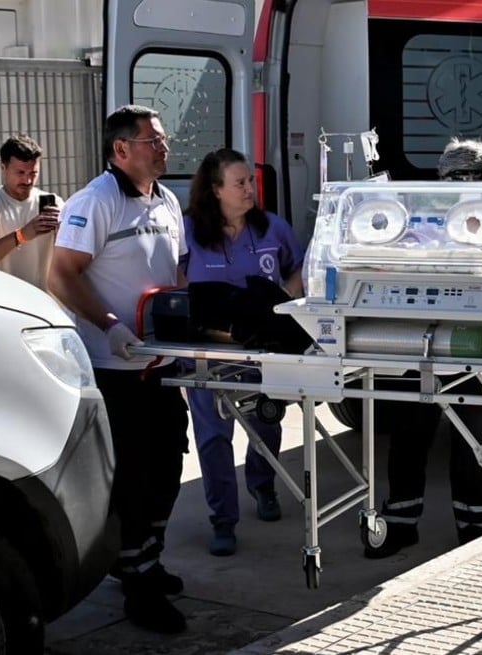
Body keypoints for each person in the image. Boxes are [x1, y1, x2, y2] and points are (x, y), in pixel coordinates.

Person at [46, 105, 190, 634]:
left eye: (163, 137)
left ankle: (146, 558)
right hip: (115, 365)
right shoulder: (96, 201)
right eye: (152, 140)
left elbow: (176, 271)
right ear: (121, 149)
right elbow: (60, 275)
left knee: (169, 468)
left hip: (162, 362)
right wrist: (110, 327)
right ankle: (138, 585)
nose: (163, 146)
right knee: (133, 477)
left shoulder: (167, 199)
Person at [365, 137, 482, 559]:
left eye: (476, 178)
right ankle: (402, 522)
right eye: (457, 178)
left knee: (476, 436)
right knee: (408, 430)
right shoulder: (421, 221)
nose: (466, 186)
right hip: (418, 338)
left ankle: (475, 525)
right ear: (441, 181)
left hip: (477, 340)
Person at [181, 148, 304, 557]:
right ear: (215, 190)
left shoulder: (272, 228)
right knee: (214, 435)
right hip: (209, 352)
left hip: (262, 348)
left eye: (250, 181)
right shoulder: (187, 232)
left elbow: (301, 267)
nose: (250, 188)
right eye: (240, 182)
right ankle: (223, 520)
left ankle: (263, 484)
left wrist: (284, 297)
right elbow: (174, 285)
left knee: (266, 420)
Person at [0, 134, 61, 289]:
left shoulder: (54, 202)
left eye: (33, 173)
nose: (28, 181)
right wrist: (22, 235)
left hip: (44, 301)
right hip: (4, 301)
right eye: (20, 173)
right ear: (3, 168)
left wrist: (63, 231)